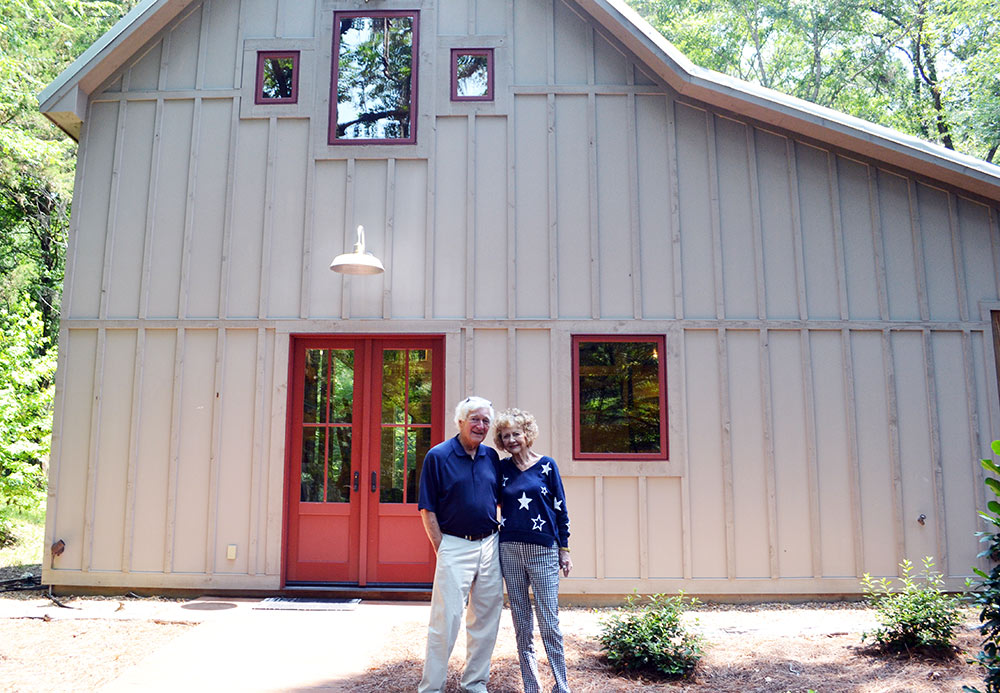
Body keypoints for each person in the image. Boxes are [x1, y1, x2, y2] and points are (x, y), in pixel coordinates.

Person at [417, 396, 503, 693]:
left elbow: (501, 499)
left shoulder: (490, 457)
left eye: (486, 421)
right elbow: (427, 509)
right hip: (454, 545)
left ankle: (475, 684)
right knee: (446, 621)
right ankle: (432, 687)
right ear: (461, 422)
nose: (480, 426)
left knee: (486, 620)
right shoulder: (438, 456)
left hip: (490, 546)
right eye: (475, 419)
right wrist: (442, 547)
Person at [494, 408, 572, 693]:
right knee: (522, 624)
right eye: (506, 436)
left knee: (549, 622)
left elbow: (561, 510)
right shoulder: (501, 469)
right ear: (501, 441)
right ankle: (531, 686)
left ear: (527, 434)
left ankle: (561, 686)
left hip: (544, 552)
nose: (512, 439)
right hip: (510, 551)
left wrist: (564, 549)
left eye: (516, 433)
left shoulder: (547, 466)